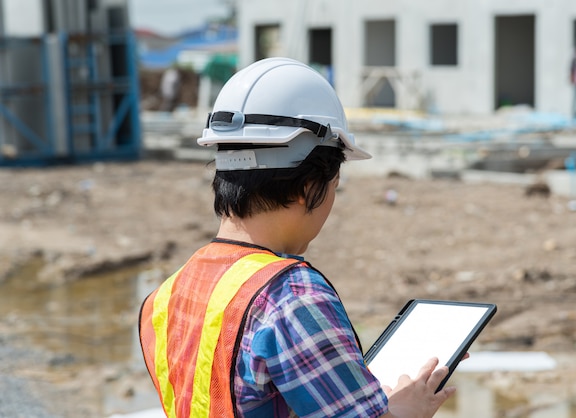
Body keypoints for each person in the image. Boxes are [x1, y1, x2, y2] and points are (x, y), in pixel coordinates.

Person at [138, 57, 457, 417]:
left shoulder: (164, 297)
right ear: (309, 187)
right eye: (334, 186)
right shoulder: (292, 298)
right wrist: (407, 410)